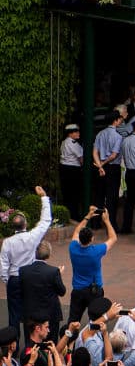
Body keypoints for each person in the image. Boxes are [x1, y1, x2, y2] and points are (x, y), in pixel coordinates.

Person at [1, 186, 52, 334]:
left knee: (14, 315)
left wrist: (7, 280)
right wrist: (43, 197)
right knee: (30, 313)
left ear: (13, 226)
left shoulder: (7, 242)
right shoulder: (32, 237)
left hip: (14, 279)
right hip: (29, 278)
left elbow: (3, 265)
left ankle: (13, 346)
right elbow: (45, 221)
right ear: (26, 224)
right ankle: (31, 344)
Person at [66, 203, 116, 327]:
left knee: (73, 320)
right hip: (94, 291)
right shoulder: (96, 251)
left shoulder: (73, 248)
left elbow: (77, 231)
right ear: (92, 239)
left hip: (78, 290)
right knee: (96, 320)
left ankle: (68, 341)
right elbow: (113, 238)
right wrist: (107, 221)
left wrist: (88, 216)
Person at [17, 240, 64, 344]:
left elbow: (20, 291)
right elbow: (62, 291)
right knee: (50, 344)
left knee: (30, 343)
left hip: (30, 314)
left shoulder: (23, 270)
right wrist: (59, 276)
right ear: (49, 254)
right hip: (50, 314)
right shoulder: (53, 271)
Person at [92, 110, 124, 228]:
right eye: (119, 119)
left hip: (100, 166)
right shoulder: (118, 136)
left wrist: (100, 166)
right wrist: (103, 164)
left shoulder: (100, 134)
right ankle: (110, 224)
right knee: (112, 197)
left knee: (99, 195)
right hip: (112, 168)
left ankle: (95, 223)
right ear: (115, 121)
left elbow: (94, 152)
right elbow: (113, 155)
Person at [58, 123, 84, 220]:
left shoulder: (64, 142)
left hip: (64, 168)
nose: (78, 133)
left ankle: (68, 215)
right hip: (73, 170)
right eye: (76, 132)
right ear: (70, 134)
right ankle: (74, 216)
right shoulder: (73, 144)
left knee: (67, 193)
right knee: (74, 194)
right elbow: (81, 159)